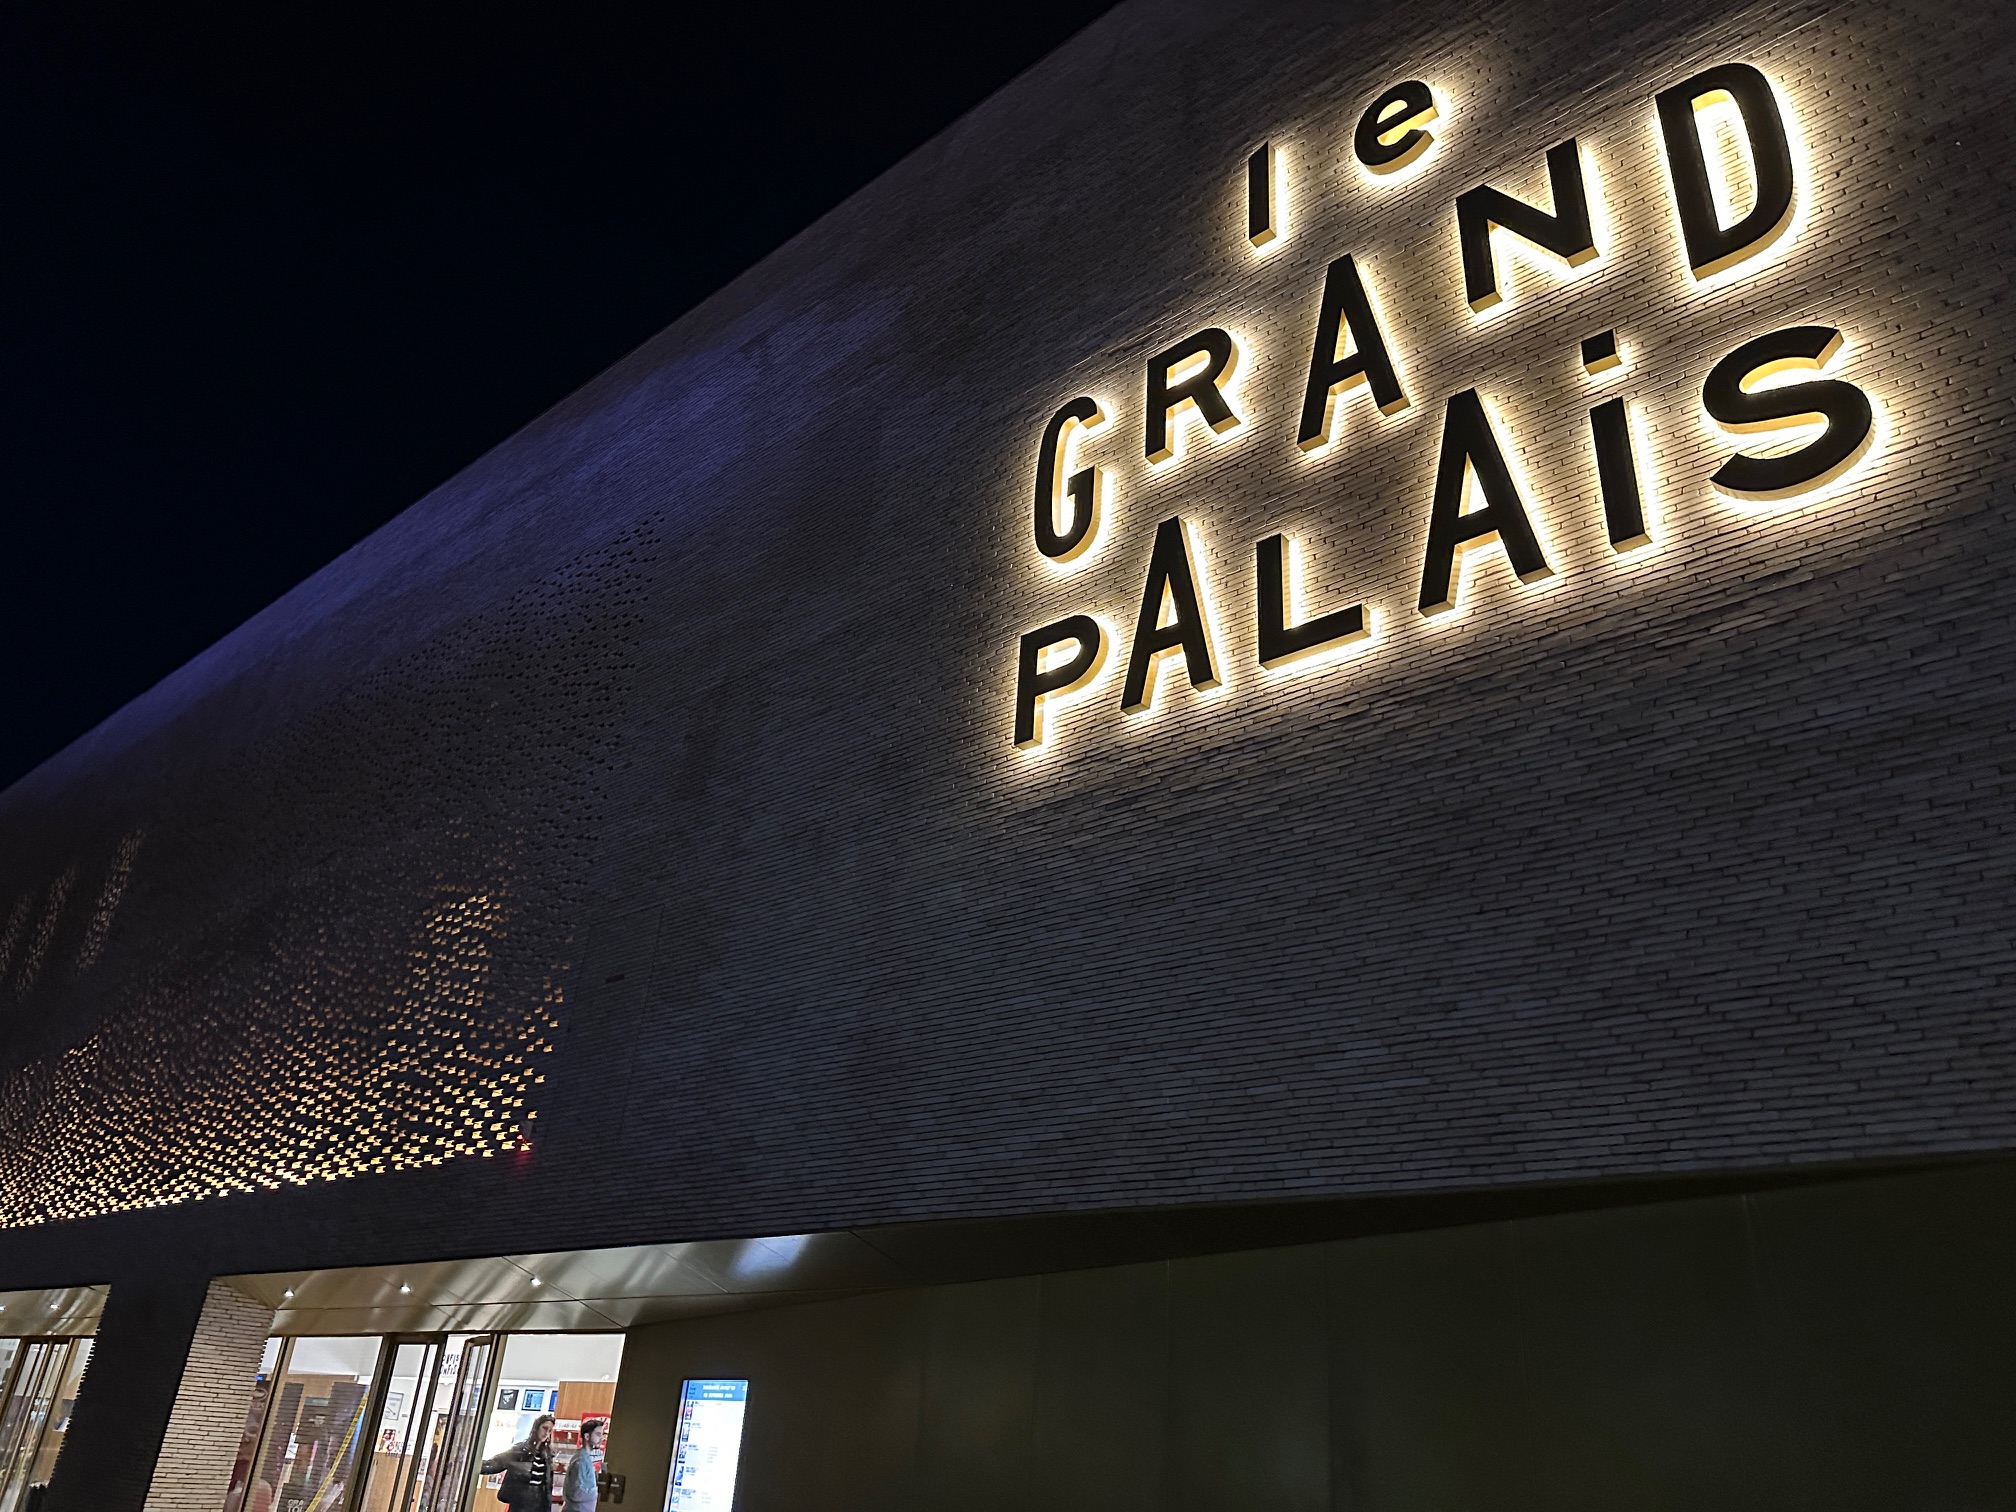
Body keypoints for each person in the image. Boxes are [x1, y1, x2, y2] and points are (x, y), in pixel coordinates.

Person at [481, 1414, 554, 1512]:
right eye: (545, 1428)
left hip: (539, 1504)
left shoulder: (546, 1456)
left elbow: (547, 1486)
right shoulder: (520, 1451)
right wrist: (473, 1466)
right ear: (537, 1428)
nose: (546, 1433)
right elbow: (496, 1463)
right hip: (521, 1503)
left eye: (550, 1430)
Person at [563, 1419, 606, 1512]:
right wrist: (598, 1490)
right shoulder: (581, 1460)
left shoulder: (584, 1457)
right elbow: (576, 1493)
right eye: (598, 1434)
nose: (602, 1438)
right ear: (587, 1436)